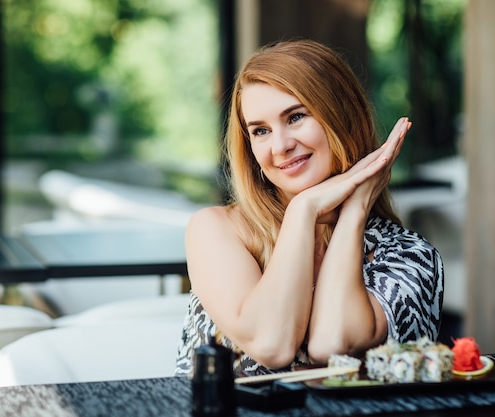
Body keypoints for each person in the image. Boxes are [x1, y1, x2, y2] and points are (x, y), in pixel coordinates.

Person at [174, 39, 444, 377]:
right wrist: (304, 210)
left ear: (342, 117)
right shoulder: (216, 230)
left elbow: (333, 344)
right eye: (260, 130)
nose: (281, 146)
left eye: (296, 117)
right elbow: (271, 344)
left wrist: (354, 211)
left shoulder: (410, 256)